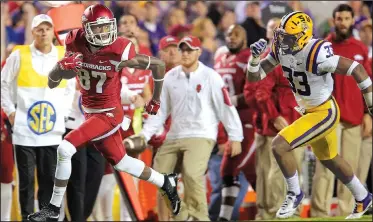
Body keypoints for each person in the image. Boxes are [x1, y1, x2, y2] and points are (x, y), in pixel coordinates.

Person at [27, 4, 180, 222]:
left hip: (109, 113)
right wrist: (61, 68)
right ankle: (166, 182)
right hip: (90, 112)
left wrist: (155, 99)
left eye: (107, 27)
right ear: (86, 29)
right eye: (98, 29)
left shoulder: (119, 49)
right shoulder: (74, 40)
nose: (104, 33)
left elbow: (158, 66)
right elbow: (53, 82)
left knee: (65, 148)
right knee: (122, 162)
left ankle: (52, 209)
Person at [246, 11, 373, 219]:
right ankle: (363, 196)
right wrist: (254, 59)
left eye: (289, 36)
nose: (282, 40)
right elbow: (255, 77)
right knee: (330, 159)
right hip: (309, 110)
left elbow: (357, 69)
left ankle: (294, 193)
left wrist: (370, 104)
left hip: (324, 111)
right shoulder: (280, 48)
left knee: (279, 145)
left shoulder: (316, 53)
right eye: (281, 34)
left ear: (303, 36)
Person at [127, 35, 244, 221]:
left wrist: (235, 135)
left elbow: (226, 106)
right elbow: (160, 111)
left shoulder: (210, 77)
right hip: (175, 135)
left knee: (191, 173)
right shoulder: (169, 77)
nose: (185, 53)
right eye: (183, 49)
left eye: (190, 50)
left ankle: (200, 217)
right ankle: (183, 217)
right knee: (159, 176)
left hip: (201, 134)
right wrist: (144, 135)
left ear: (199, 52)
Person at [1, 14, 75, 221]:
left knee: (49, 181)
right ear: (32, 32)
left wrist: (64, 115)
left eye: (47, 29)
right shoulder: (19, 55)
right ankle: (26, 217)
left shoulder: (63, 56)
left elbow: (71, 88)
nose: (43, 33)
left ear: (53, 31)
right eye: (39, 29)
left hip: (52, 131)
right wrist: (11, 111)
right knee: (25, 181)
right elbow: (3, 84)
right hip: (24, 130)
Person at [311, 4, 373, 217]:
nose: (343, 22)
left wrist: (367, 113)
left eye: (347, 18)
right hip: (329, 118)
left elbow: (367, 82)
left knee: (351, 170)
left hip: (355, 118)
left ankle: (348, 212)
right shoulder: (322, 47)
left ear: (352, 20)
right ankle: (319, 213)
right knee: (326, 167)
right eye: (339, 18)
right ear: (333, 20)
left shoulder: (361, 48)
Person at [244, 17, 305, 220]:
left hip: (298, 123)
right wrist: (274, 116)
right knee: (276, 172)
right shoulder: (269, 58)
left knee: (292, 170)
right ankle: (274, 212)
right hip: (276, 126)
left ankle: (289, 211)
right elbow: (259, 93)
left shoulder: (299, 56)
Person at [212, 24, 256, 221]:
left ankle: (224, 218)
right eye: (229, 34)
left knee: (228, 169)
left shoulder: (250, 58)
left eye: (237, 34)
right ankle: (271, 211)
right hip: (225, 123)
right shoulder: (220, 57)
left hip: (246, 122)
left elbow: (253, 94)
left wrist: (228, 102)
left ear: (244, 38)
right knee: (254, 174)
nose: (232, 37)